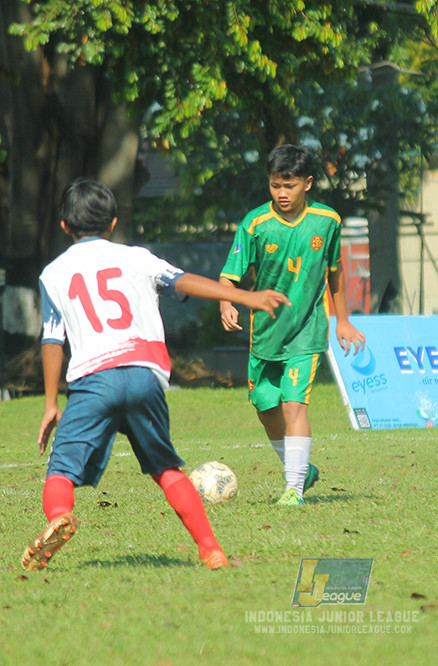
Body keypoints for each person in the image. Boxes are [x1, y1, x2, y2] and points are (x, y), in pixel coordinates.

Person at [22, 178, 289, 572]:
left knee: (61, 469)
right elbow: (184, 281)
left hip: (95, 380)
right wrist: (245, 296)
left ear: (64, 226)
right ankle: (211, 550)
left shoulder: (53, 273)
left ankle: (60, 516)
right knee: (166, 470)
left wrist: (50, 403)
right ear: (113, 223)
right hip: (144, 376)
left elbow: (51, 338)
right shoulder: (137, 258)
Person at [218, 144, 365, 507]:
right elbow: (229, 276)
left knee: (294, 405)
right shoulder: (255, 224)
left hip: (306, 330)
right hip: (266, 334)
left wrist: (343, 320)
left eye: (290, 185)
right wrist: (226, 302)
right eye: (275, 185)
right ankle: (302, 469)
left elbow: (334, 271)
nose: (282, 193)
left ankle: (293, 490)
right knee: (266, 407)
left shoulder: (327, 221)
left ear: (307, 183)